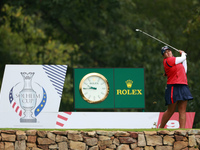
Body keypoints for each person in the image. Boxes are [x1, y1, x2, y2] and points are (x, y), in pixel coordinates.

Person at [159, 46, 193, 128]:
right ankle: (160, 128)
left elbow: (184, 70)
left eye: (169, 51)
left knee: (182, 110)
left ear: (171, 51)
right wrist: (183, 54)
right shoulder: (168, 60)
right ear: (164, 56)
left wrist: (184, 58)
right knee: (171, 110)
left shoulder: (177, 61)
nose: (168, 53)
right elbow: (182, 58)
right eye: (165, 52)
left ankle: (182, 131)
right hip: (173, 86)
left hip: (183, 85)